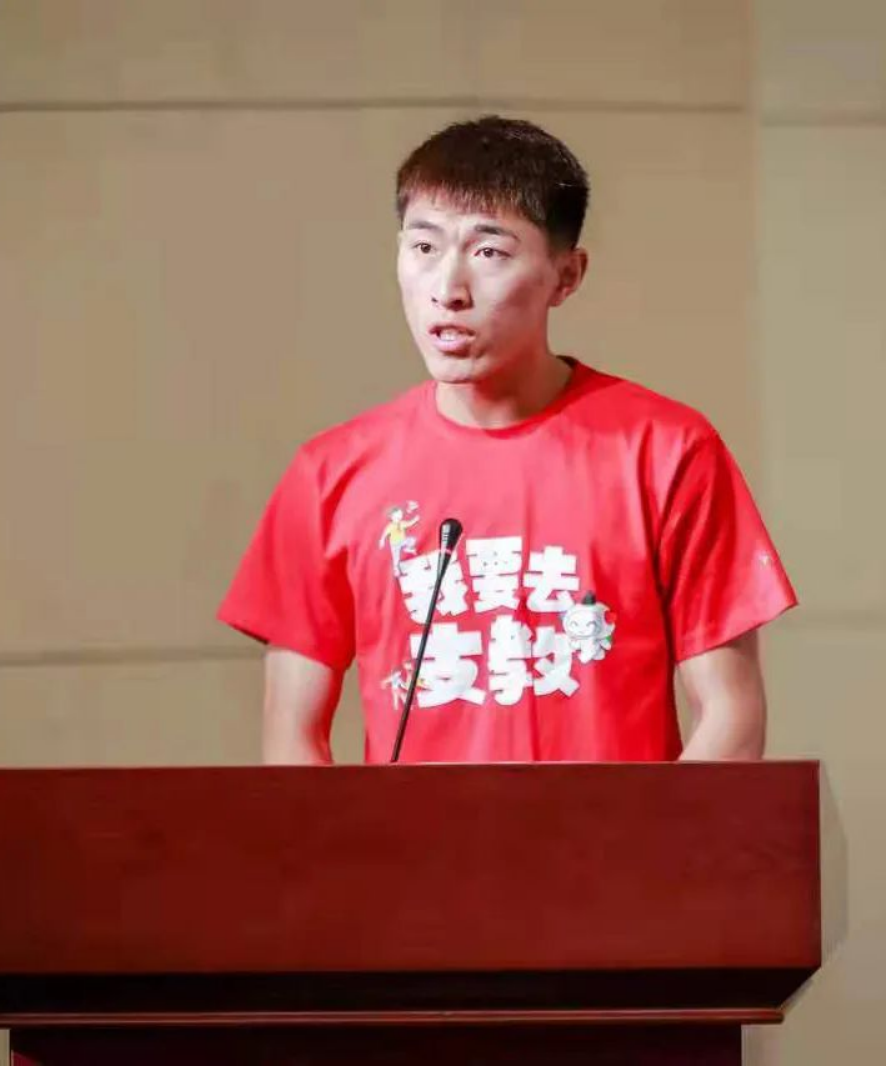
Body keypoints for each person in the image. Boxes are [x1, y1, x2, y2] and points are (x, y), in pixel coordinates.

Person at [217, 115, 797, 765]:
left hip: (619, 836)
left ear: (566, 276)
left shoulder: (667, 452)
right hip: (408, 837)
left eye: (489, 252)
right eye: (424, 247)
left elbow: (730, 714)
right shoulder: (331, 474)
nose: (447, 291)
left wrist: (652, 835)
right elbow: (292, 741)